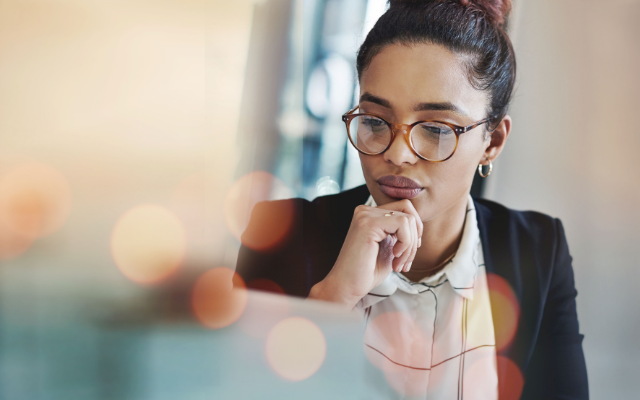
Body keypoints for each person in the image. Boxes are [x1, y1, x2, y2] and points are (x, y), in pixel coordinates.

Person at [236, 0, 588, 399]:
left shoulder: (537, 249)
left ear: (492, 141)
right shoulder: (282, 235)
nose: (398, 154)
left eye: (436, 129)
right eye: (374, 121)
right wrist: (331, 300)